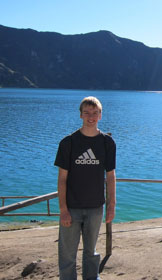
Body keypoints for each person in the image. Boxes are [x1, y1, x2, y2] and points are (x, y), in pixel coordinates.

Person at [54, 96, 116, 280]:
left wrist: (111, 205)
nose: (91, 116)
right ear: (80, 115)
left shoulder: (107, 143)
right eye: (87, 113)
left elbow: (111, 176)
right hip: (72, 208)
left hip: (96, 207)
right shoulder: (68, 142)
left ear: (100, 115)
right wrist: (63, 209)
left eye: (95, 113)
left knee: (91, 253)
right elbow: (62, 179)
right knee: (67, 255)